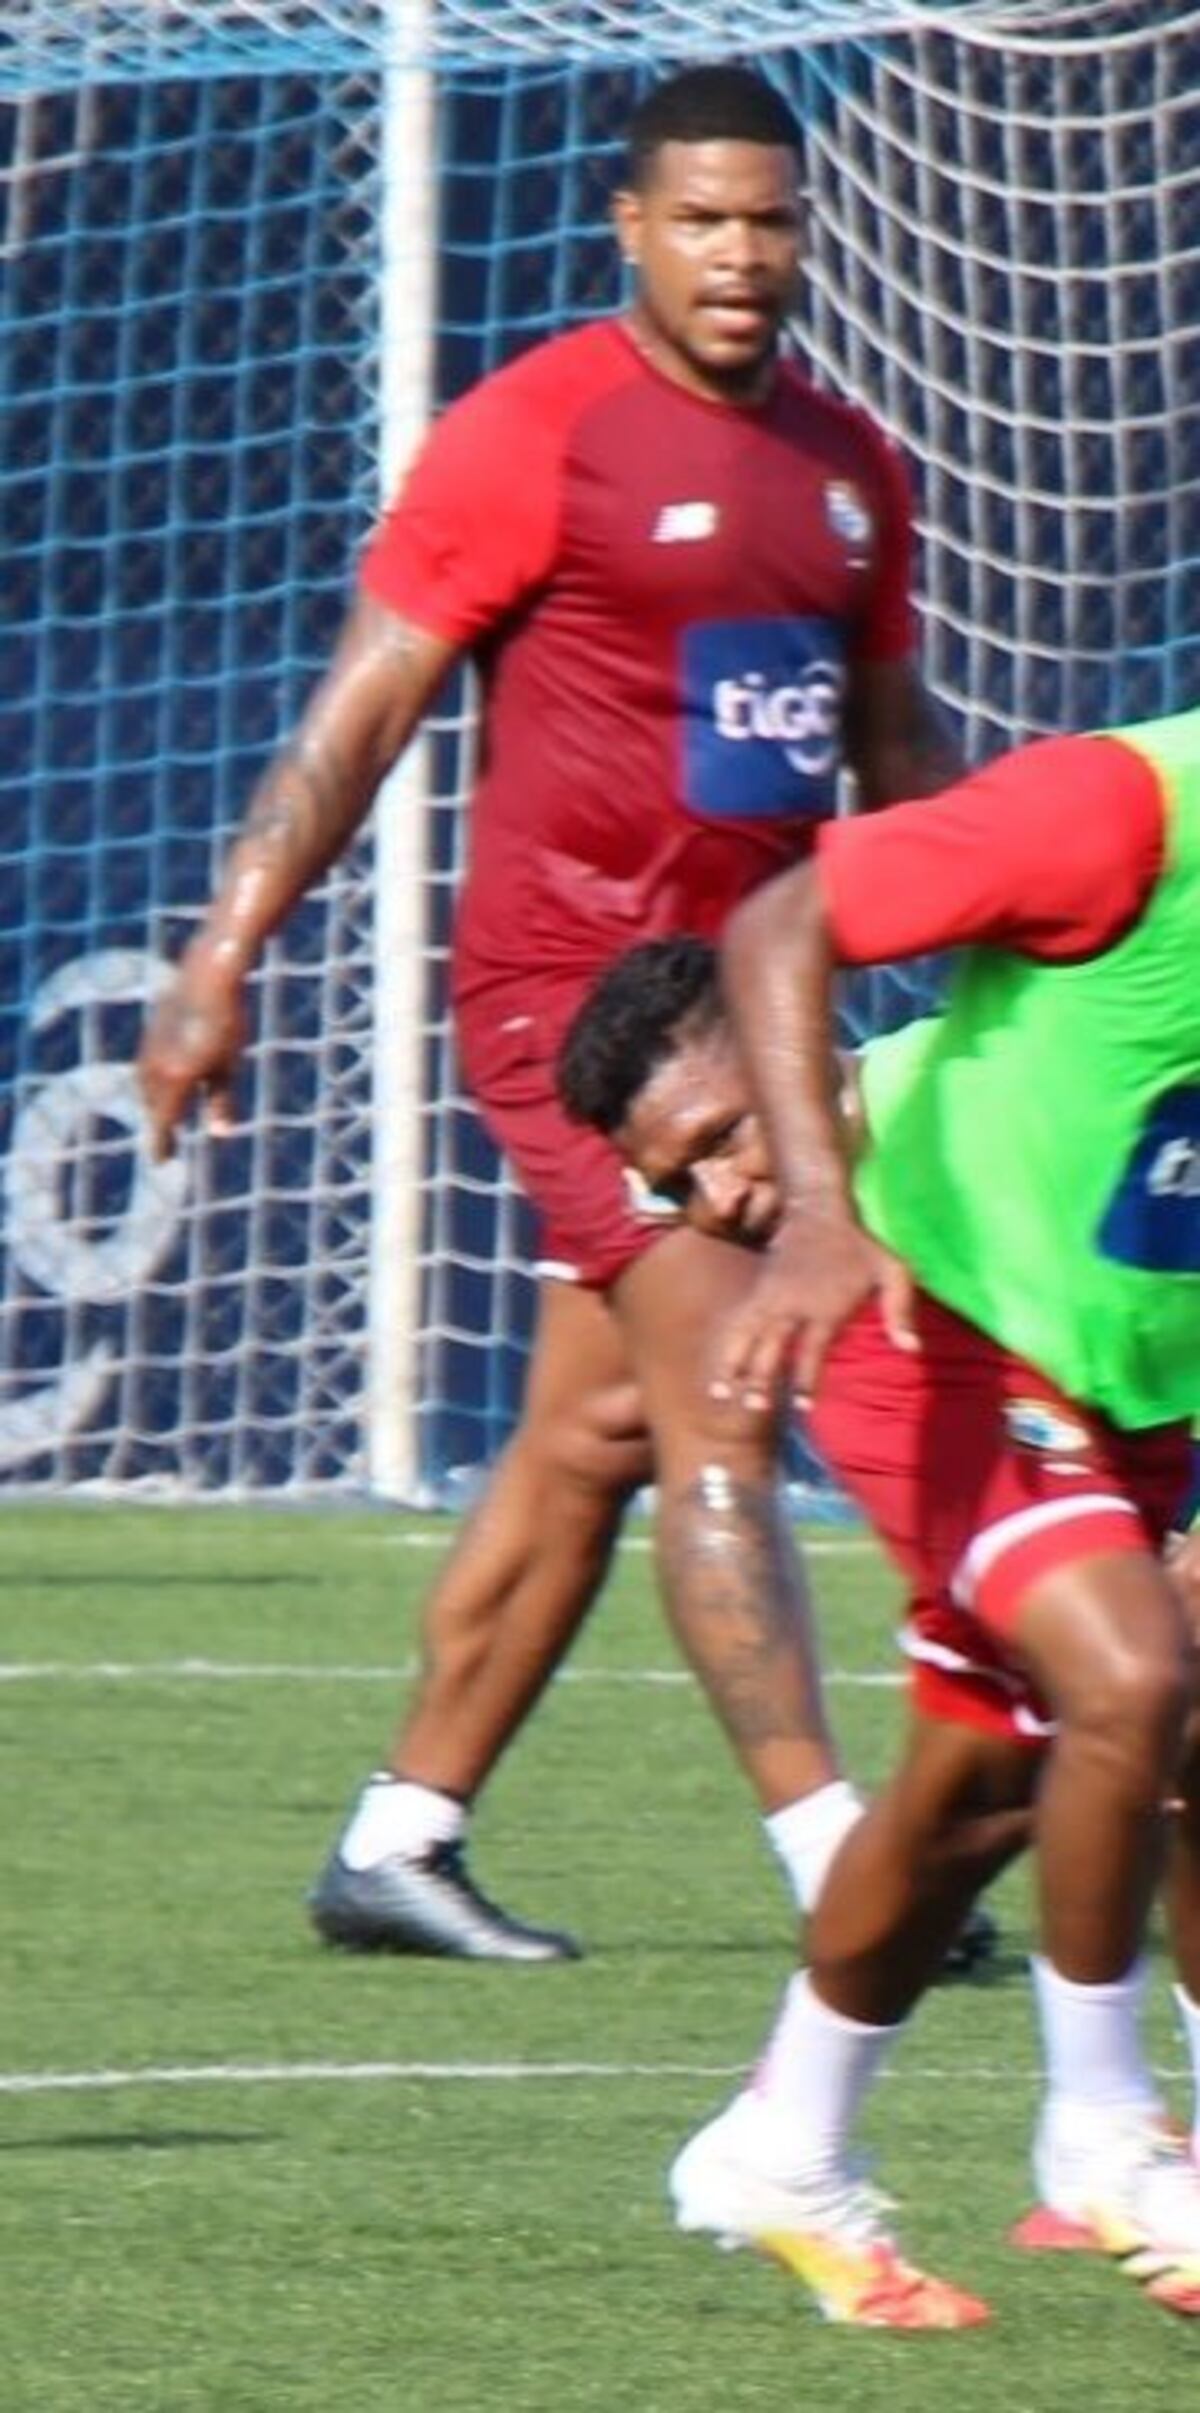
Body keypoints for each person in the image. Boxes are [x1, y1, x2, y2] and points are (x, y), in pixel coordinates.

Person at [136, 64, 966, 1965]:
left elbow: (896, 750)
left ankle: (399, 1836)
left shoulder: (849, 469)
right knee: (729, 1404)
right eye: (703, 221)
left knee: (592, 1436)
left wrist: (1041, 905)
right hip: (573, 1020)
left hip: (750, 1027)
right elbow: (363, 713)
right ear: (630, 229)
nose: (740, 256)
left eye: (769, 221)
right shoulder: (540, 435)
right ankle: (842, 1864)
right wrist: (219, 953)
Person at [557, 694, 1200, 2326]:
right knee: (1137, 1680)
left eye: (714, 1147)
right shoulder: (1114, 815)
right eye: (672, 1181)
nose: (711, 1198)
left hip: (1119, 1390)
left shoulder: (937, 1090)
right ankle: (1107, 2130)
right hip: (921, 1352)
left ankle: (782, 2138)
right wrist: (824, 1224)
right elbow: (789, 911)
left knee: (984, 1787)